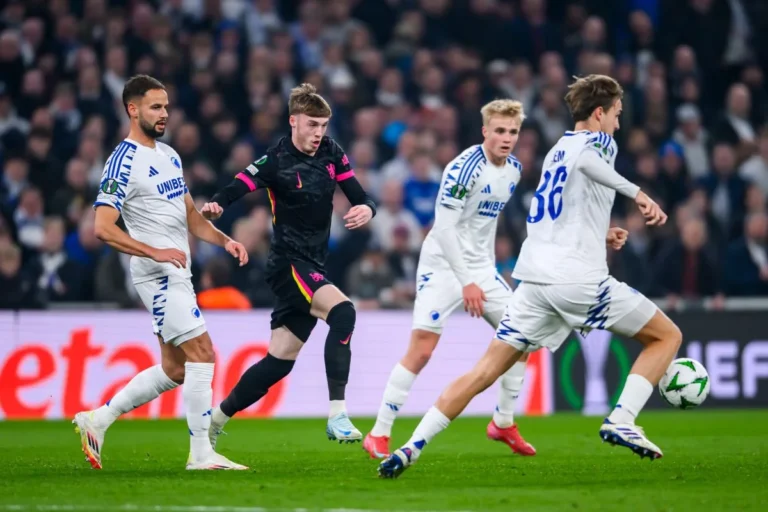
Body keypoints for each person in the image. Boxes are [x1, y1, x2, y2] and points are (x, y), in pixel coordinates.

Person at [378, 74, 682, 479]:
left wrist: (600, 233)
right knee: (667, 337)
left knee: (485, 371)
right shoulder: (598, 142)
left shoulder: (557, 149)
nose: (618, 124)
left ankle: (410, 448)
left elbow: (553, 211)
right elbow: (591, 161)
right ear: (598, 113)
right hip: (577, 281)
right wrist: (639, 194)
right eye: (616, 115)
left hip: (533, 282)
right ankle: (622, 418)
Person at [73, 75, 250, 470]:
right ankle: (201, 453)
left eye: (166, 106)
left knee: (175, 368)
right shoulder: (122, 160)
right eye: (155, 107)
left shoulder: (169, 154)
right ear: (132, 109)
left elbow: (189, 214)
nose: (164, 114)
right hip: (156, 275)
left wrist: (225, 241)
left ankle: (97, 420)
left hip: (178, 271)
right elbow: (103, 227)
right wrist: (154, 250)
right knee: (204, 353)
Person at [201, 83, 376, 445]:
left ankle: (213, 422)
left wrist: (367, 208)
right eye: (312, 124)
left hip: (313, 266)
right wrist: (218, 203)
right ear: (293, 121)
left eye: (324, 125)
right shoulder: (276, 160)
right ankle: (338, 415)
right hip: (287, 265)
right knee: (343, 313)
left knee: (278, 362)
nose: (318, 133)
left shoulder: (331, 153)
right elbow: (239, 184)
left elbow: (358, 194)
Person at [364, 99, 536, 460]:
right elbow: (443, 228)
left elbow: (487, 225)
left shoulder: (514, 171)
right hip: (442, 264)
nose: (507, 138)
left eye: (513, 132)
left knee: (522, 335)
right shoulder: (464, 168)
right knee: (423, 349)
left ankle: (503, 422)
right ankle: (379, 432)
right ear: (485, 131)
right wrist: (465, 281)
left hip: (481, 268)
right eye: (500, 131)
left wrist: (483, 272)